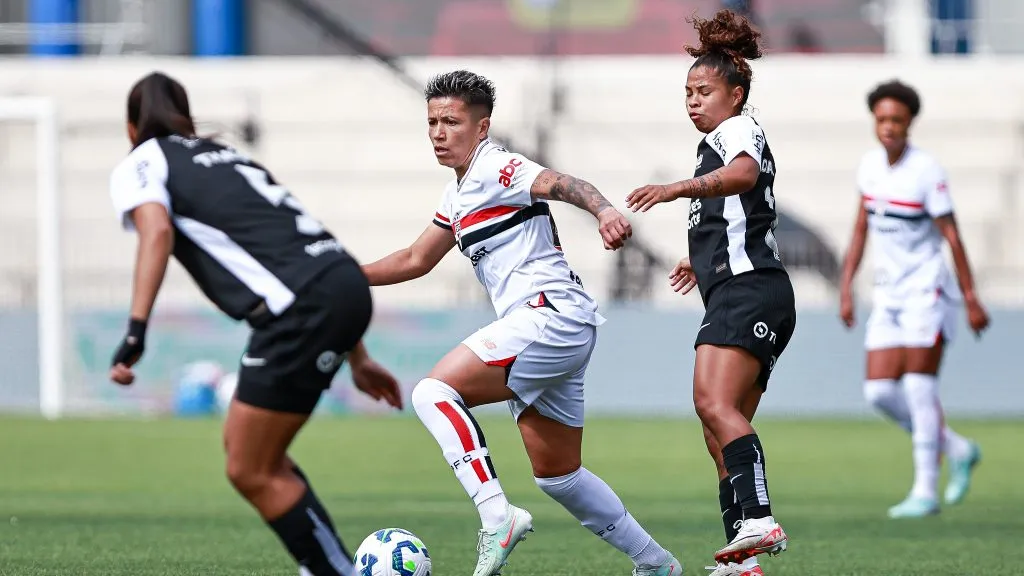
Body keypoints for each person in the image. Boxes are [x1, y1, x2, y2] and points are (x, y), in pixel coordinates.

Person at [361, 70, 683, 576]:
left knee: (433, 393)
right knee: (559, 475)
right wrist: (344, 277)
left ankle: (497, 517)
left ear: (482, 126)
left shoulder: (496, 166)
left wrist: (603, 212)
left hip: (547, 315)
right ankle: (656, 565)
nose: (439, 132)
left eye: (452, 121)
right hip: (559, 324)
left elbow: (563, 184)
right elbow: (415, 260)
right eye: (432, 122)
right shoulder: (458, 194)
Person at [107, 72, 403, 576]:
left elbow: (155, 232)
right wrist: (360, 356)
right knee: (255, 457)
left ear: (131, 128)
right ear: (188, 119)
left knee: (250, 466)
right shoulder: (229, 158)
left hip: (300, 308)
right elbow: (300, 253)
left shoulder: (142, 161)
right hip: (344, 284)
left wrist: (136, 330)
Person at [626, 10, 792, 576]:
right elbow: (740, 212)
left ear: (736, 94)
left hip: (751, 291)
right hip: (741, 288)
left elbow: (744, 175)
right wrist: (700, 259)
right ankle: (741, 560)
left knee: (712, 404)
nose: (694, 101)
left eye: (705, 91)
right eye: (688, 92)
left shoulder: (737, 130)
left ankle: (761, 519)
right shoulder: (715, 140)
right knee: (718, 426)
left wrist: (677, 188)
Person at [839, 79, 988, 519]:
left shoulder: (926, 171)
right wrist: (846, 287)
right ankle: (958, 448)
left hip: (928, 291)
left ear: (910, 124)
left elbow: (952, 235)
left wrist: (971, 296)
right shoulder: (868, 167)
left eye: (897, 120)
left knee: (920, 389)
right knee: (880, 392)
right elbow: (860, 228)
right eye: (882, 119)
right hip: (888, 294)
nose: (888, 127)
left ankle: (926, 490)